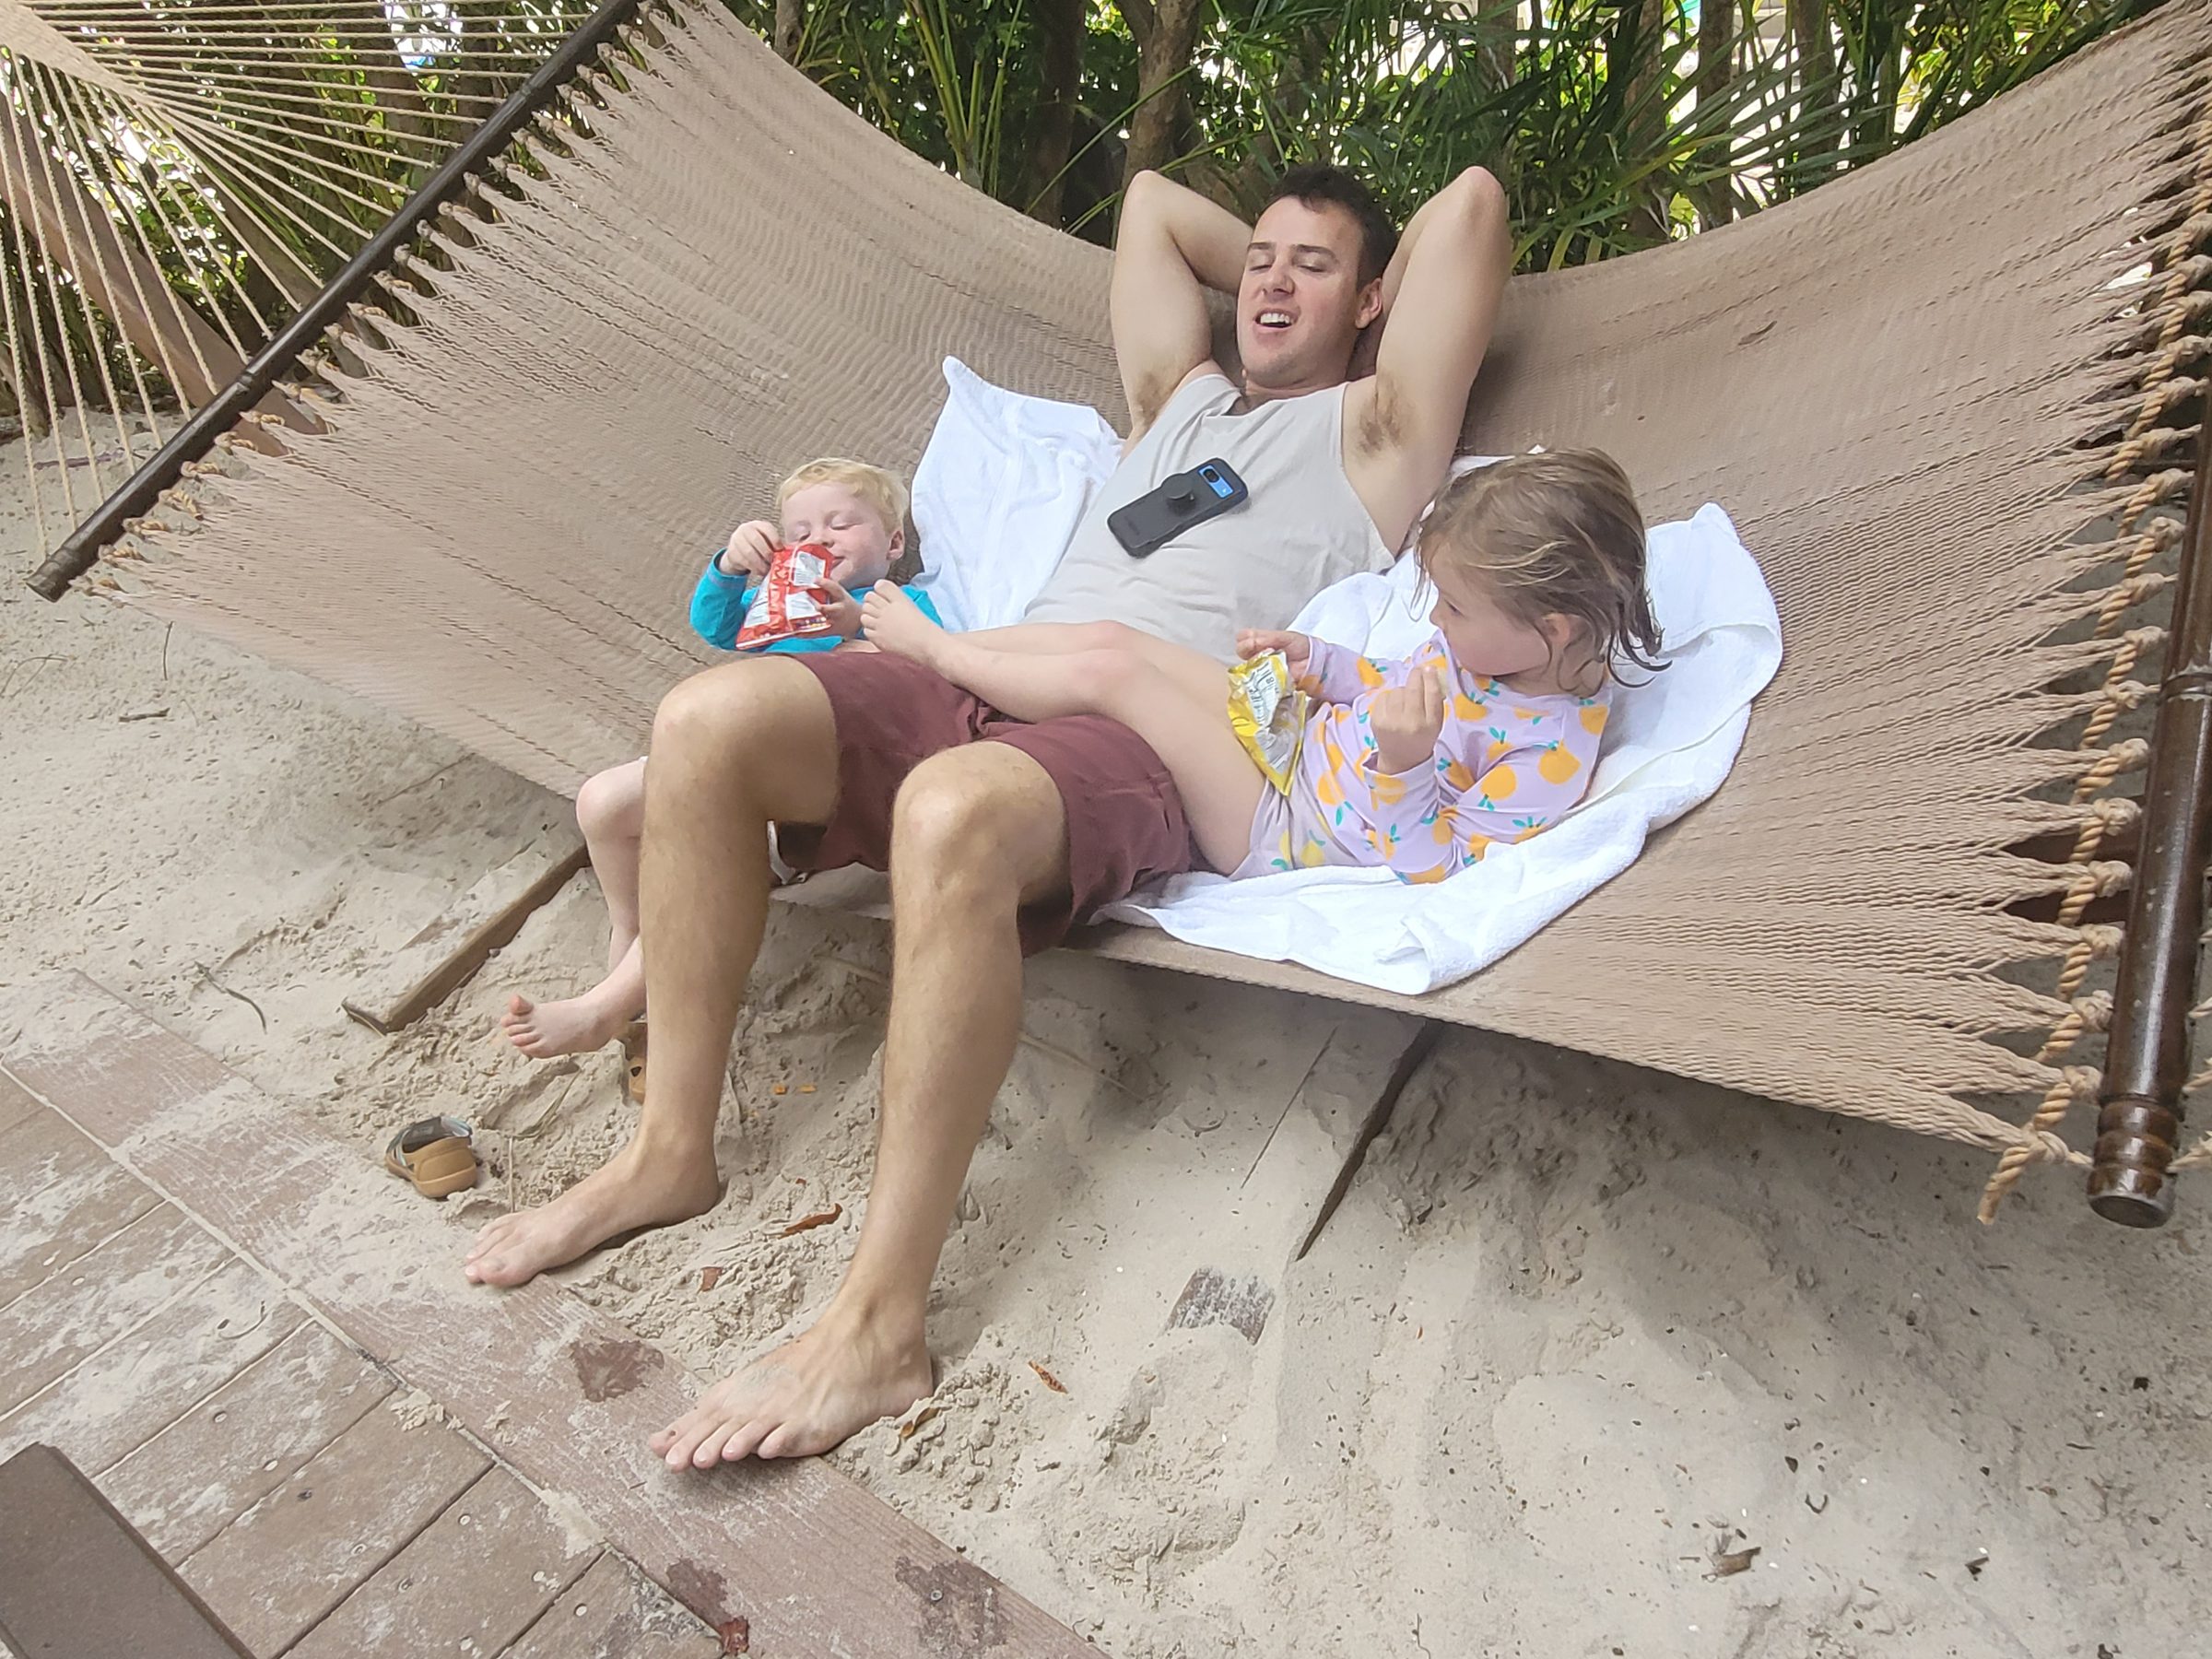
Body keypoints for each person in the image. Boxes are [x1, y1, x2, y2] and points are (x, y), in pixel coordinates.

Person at [464, 159, 1515, 1468]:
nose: (1269, 280)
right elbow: (1142, 205)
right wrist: (1287, 258)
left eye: (1313, 264)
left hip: (1136, 731)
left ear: (1372, 302)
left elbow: (1469, 203)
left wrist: (1370, 291)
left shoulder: (1373, 430)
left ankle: (879, 1324)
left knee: (953, 813)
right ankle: (669, 1152)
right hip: (972, 672)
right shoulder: (1176, 404)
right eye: (1257, 259)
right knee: (705, 720)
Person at [858, 450, 1656, 883]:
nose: (1435, 622)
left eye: (1451, 607)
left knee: (1115, 679)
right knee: (1116, 636)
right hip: (1299, 740)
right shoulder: (1492, 651)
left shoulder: (1547, 756)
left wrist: (1405, 764)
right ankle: (958, 652)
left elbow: (1438, 869)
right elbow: (1386, 683)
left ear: (1552, 630)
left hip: (1289, 828)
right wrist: (1322, 662)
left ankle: (935, 651)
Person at [498, 458, 934, 1062]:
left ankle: (614, 1006)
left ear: (893, 541)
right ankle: (631, 932)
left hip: (815, 781)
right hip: (733, 751)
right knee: (601, 803)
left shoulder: (900, 602)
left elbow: (932, 662)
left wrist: (860, 623)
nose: (820, 540)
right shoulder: (781, 600)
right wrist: (732, 566)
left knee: (696, 840)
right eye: (801, 531)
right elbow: (715, 624)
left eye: (841, 524)